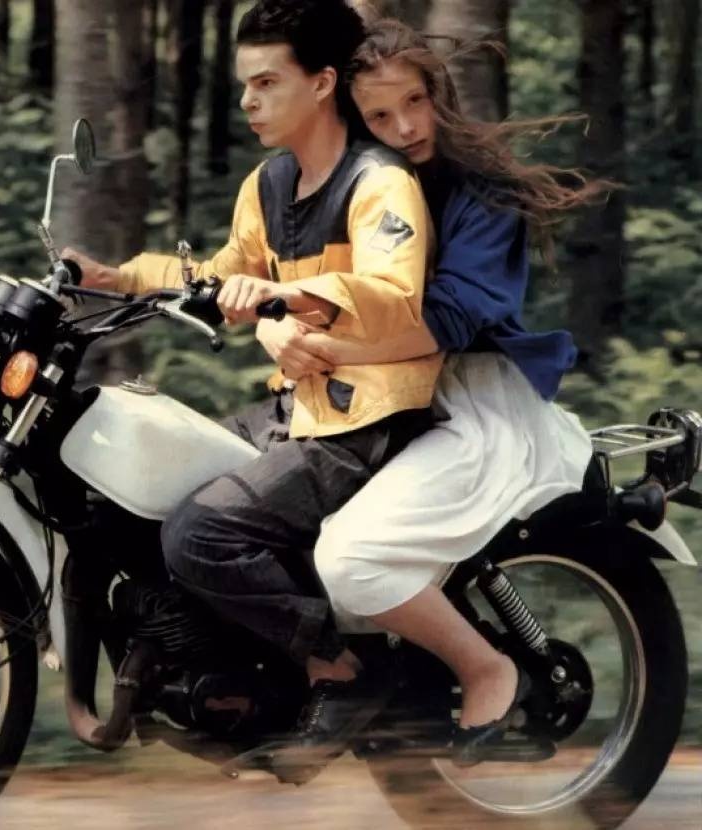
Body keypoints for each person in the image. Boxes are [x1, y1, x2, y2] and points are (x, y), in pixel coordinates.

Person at [64, 0, 440, 712]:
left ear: (322, 83)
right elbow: (218, 275)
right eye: (245, 85)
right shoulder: (268, 185)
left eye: (266, 82)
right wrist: (118, 278)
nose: (247, 100)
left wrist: (282, 294)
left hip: (368, 418)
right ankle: (222, 672)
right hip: (298, 407)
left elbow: (395, 294)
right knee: (144, 489)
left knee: (199, 532)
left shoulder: (379, 181)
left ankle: (338, 670)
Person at [267, 17, 603, 769]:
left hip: (473, 404)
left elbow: (445, 321)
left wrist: (331, 346)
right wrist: (272, 325)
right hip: (370, 399)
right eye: (381, 115)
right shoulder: (355, 186)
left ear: (439, 93)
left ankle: (487, 669)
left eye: (415, 102)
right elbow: (283, 280)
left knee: (351, 558)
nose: (406, 127)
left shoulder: (481, 193)